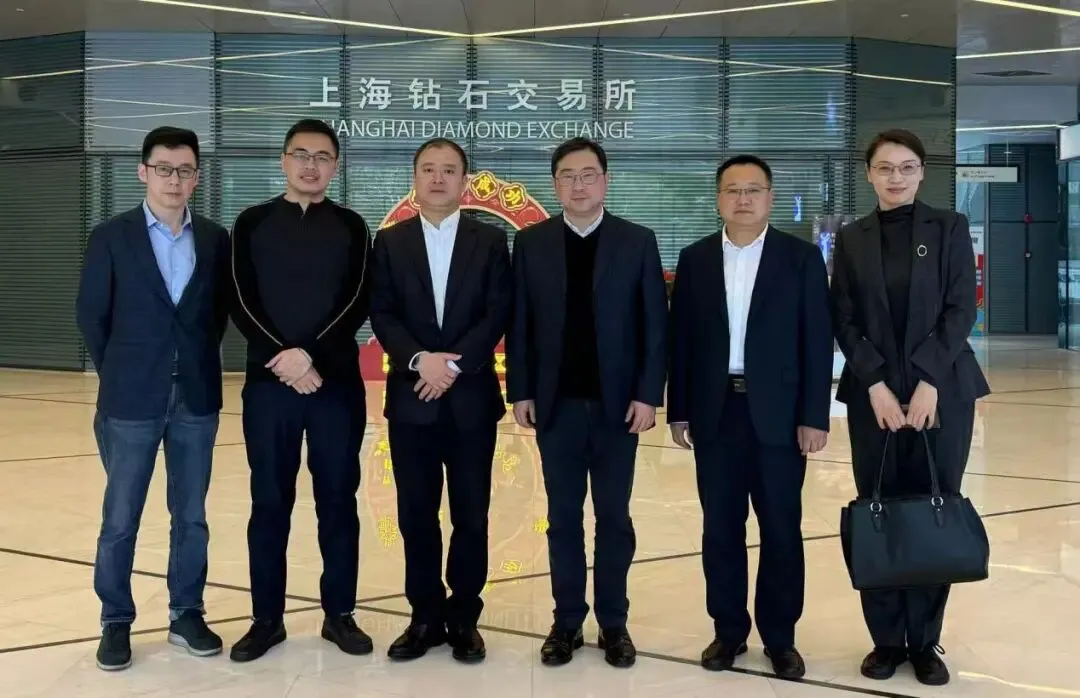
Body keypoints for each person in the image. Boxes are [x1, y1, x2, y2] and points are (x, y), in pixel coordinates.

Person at [830, 128, 990, 686]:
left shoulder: (949, 228)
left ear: (922, 172)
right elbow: (843, 317)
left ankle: (923, 641)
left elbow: (961, 308)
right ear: (869, 174)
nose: (895, 177)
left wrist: (928, 380)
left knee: (931, 509)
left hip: (940, 394)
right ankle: (885, 641)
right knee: (878, 506)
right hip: (872, 398)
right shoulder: (852, 238)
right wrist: (874, 383)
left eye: (906, 167)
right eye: (884, 167)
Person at [667, 155, 833, 679]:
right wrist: (679, 409)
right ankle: (728, 631)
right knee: (720, 527)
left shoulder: (800, 258)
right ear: (718, 198)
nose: (743, 199)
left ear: (770, 198)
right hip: (715, 412)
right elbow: (681, 340)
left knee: (781, 527)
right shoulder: (695, 259)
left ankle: (780, 637)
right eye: (733, 190)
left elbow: (816, 340)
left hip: (780, 416)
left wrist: (815, 415)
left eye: (753, 190)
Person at [505, 137, 668, 668]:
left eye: (588, 174)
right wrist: (521, 389)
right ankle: (567, 622)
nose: (578, 185)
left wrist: (648, 394)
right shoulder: (531, 243)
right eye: (568, 176)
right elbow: (520, 323)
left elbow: (654, 326)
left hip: (619, 408)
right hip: (556, 407)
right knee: (562, 518)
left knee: (614, 518)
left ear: (605, 180)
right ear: (555, 185)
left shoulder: (637, 241)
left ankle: (614, 624)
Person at [76, 126, 230, 671]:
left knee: (191, 515)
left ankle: (186, 613)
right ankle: (115, 620)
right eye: (164, 168)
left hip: (196, 397)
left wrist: (187, 362)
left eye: (185, 170)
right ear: (143, 172)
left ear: (196, 177)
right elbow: (92, 315)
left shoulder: (214, 239)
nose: (174, 179)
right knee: (121, 517)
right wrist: (124, 370)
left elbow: (215, 316)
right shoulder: (110, 237)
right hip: (130, 399)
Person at [227, 119, 373, 662]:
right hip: (269, 388)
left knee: (338, 500)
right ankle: (266, 619)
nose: (311, 166)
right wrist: (285, 359)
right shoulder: (251, 222)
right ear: (284, 161)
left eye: (322, 157)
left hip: (335, 388)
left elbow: (357, 299)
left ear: (335, 166)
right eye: (301, 155)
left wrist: (309, 354)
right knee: (269, 502)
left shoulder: (352, 225)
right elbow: (239, 298)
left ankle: (340, 615)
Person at [369, 138, 511, 663]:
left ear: (464, 181)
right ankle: (424, 616)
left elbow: (498, 311)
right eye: (427, 169)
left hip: (471, 400)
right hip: (412, 402)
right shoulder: (390, 241)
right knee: (416, 515)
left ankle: (465, 617)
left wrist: (450, 365)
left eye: (449, 170)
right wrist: (418, 360)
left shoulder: (490, 240)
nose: (437, 178)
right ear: (415, 178)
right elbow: (382, 312)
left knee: (472, 514)